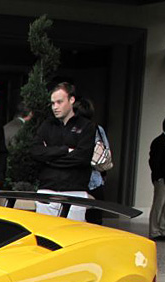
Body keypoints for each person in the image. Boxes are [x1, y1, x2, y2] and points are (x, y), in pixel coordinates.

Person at [30, 82, 96, 221]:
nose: (55, 107)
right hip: (47, 190)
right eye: (53, 103)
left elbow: (82, 157)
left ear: (71, 100)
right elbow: (36, 152)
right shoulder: (47, 125)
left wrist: (49, 158)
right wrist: (65, 150)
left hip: (75, 191)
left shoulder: (86, 126)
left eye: (59, 102)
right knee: (44, 237)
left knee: (73, 238)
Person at [74, 98, 109, 225]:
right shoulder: (98, 129)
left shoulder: (74, 130)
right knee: (95, 222)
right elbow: (105, 152)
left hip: (76, 181)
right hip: (95, 181)